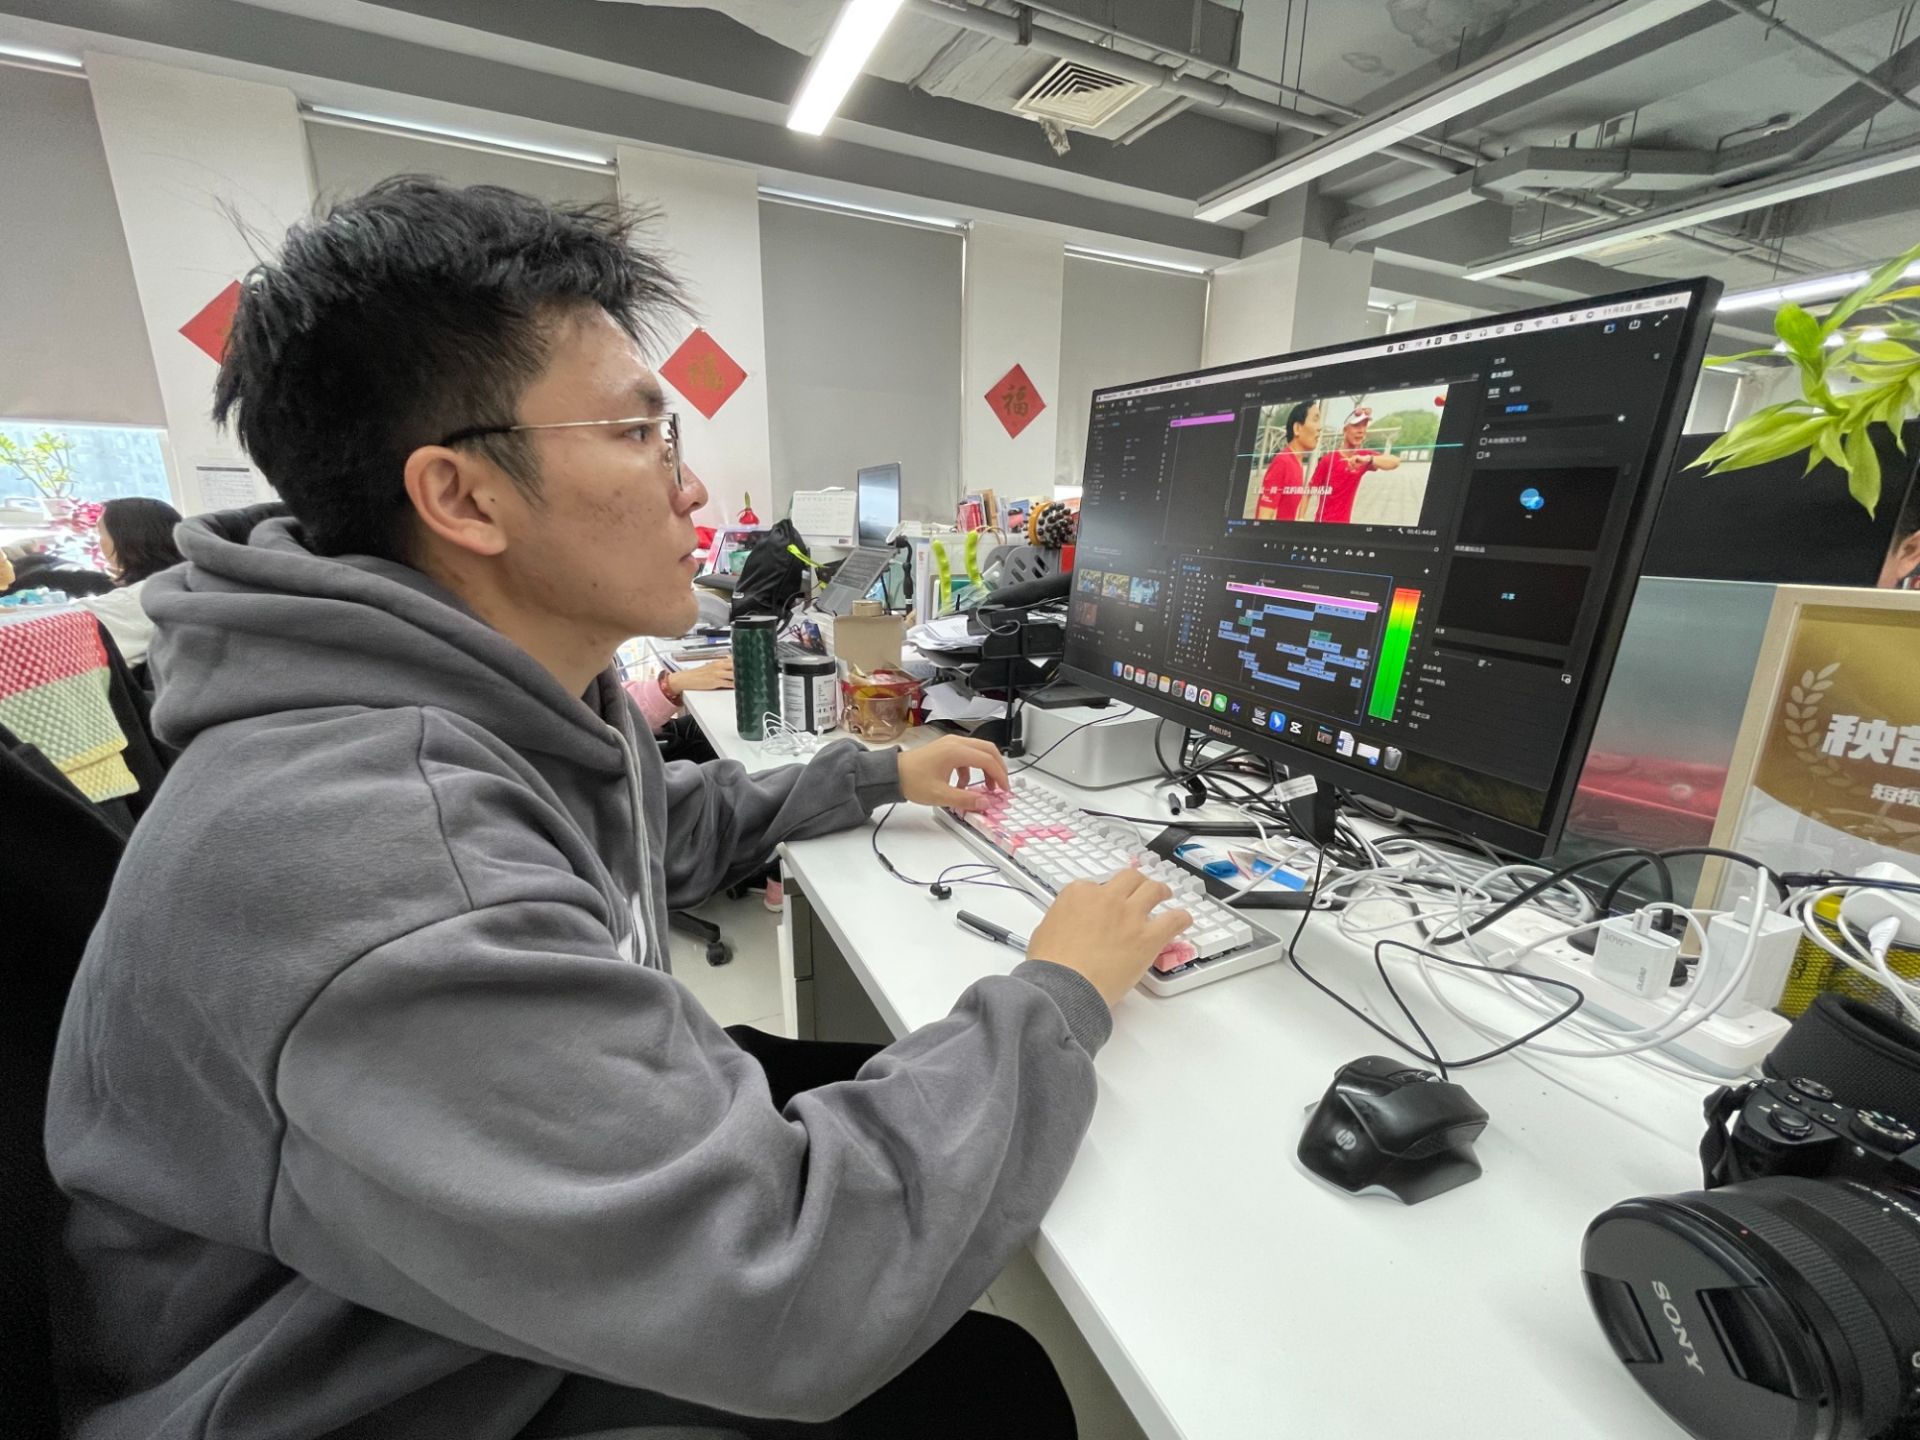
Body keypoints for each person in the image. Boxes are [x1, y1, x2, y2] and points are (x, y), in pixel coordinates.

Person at [46, 178, 1192, 1440]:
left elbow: (658, 825)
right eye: (643, 433)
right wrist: (1057, 993)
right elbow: (791, 1292)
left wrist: (873, 773)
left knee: (929, 1183)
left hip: (433, 1297)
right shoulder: (377, 852)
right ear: (462, 497)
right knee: (994, 1390)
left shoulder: (488, 703)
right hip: (359, 1390)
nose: (692, 490)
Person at [73, 496, 184, 665]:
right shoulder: (188, 581)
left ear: (126, 540)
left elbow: (56, 623)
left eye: (100, 534)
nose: (99, 544)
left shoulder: (139, 599)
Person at [1306, 407, 1402, 525]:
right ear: (1345, 430)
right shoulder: (1328, 460)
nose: (1361, 430)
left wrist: (1369, 459)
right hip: (1322, 525)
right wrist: (1300, 520)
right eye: (1356, 426)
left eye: (1364, 426)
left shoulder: (1363, 456)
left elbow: (1395, 462)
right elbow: (1308, 491)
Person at [1252, 399, 1322, 520]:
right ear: (1297, 428)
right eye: (1315, 419)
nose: (1319, 427)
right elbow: (1263, 517)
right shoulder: (1283, 462)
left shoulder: (1297, 462)